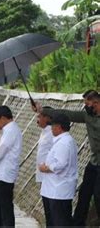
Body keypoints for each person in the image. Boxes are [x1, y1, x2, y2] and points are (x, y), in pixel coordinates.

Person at [35, 90, 100, 226]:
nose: (86, 107)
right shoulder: (87, 116)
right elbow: (67, 114)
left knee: (98, 195)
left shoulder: (66, 142)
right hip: (94, 163)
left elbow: (60, 165)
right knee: (84, 195)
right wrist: (44, 110)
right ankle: (77, 224)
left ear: (96, 103)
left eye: (88, 104)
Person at [39, 114, 78, 226]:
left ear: (59, 127)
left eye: (53, 126)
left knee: (60, 222)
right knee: (52, 222)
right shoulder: (62, 140)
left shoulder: (64, 142)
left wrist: (45, 168)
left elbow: (60, 165)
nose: (51, 129)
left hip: (59, 191)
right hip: (53, 189)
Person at [36, 107, 54, 184]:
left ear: (47, 118)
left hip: (49, 174)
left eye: (39, 117)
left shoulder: (52, 133)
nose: (37, 119)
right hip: (42, 173)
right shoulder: (44, 132)